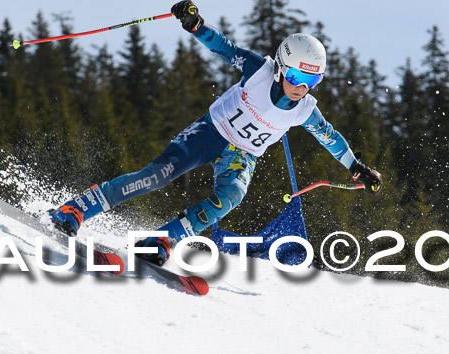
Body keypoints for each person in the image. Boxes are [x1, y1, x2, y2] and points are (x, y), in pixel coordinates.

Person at [49, 1, 383, 265]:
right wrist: (196, 25)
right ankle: (76, 209)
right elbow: (225, 48)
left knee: (230, 197)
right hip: (211, 132)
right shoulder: (260, 71)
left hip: (242, 156)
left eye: (311, 82)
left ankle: (161, 241)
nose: (301, 88)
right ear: (282, 66)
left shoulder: (305, 109)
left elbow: (329, 137)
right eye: (296, 77)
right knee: (156, 177)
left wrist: (357, 167)